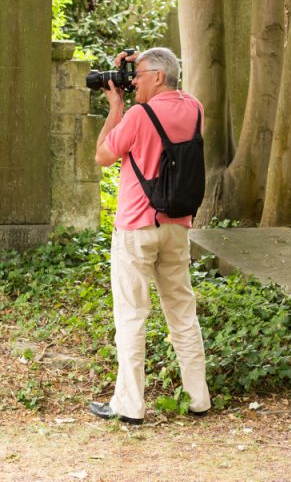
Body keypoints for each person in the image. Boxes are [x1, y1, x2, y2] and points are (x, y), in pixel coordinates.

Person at [87, 47, 211, 425]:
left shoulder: (139, 115)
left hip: (137, 230)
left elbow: (103, 155)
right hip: (176, 227)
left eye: (139, 75)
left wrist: (115, 107)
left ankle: (129, 405)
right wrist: (141, 61)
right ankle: (198, 398)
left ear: (158, 76)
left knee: (131, 316)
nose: (133, 81)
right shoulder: (195, 109)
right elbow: (167, 85)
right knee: (183, 314)